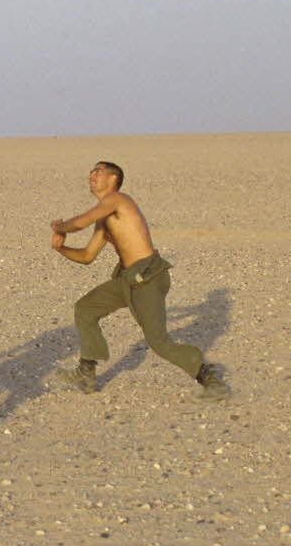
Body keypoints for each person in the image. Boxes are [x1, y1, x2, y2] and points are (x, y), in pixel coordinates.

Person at [50, 161, 230, 400]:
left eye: (98, 171)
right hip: (127, 279)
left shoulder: (119, 200)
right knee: (86, 308)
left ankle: (210, 379)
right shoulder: (103, 217)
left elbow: (79, 222)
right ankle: (86, 373)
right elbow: (86, 256)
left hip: (148, 278)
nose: (91, 175)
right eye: (91, 171)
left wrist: (59, 227)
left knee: (158, 342)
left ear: (113, 179)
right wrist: (61, 248)